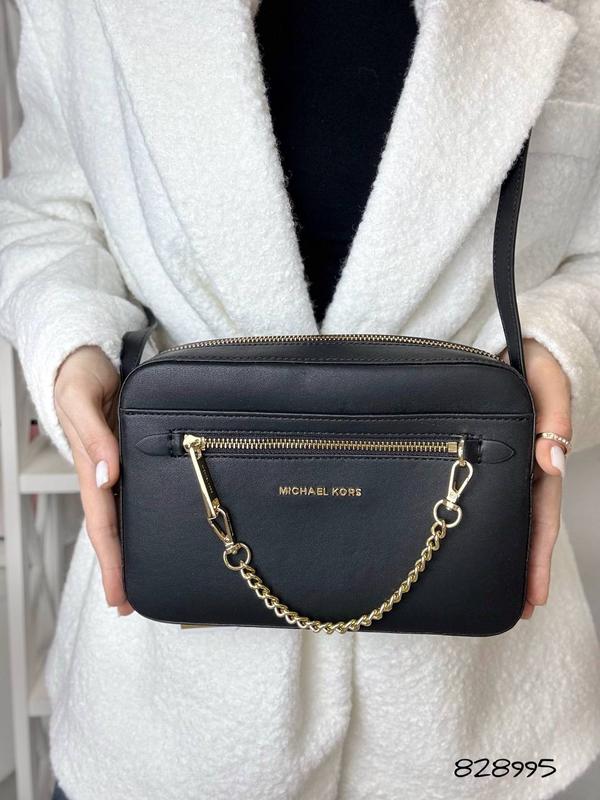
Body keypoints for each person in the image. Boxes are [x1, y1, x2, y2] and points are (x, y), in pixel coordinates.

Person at [1, 1, 599, 798]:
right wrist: (72, 347)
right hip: (164, 717)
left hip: (477, 723)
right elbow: (49, 214)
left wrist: (560, 347)